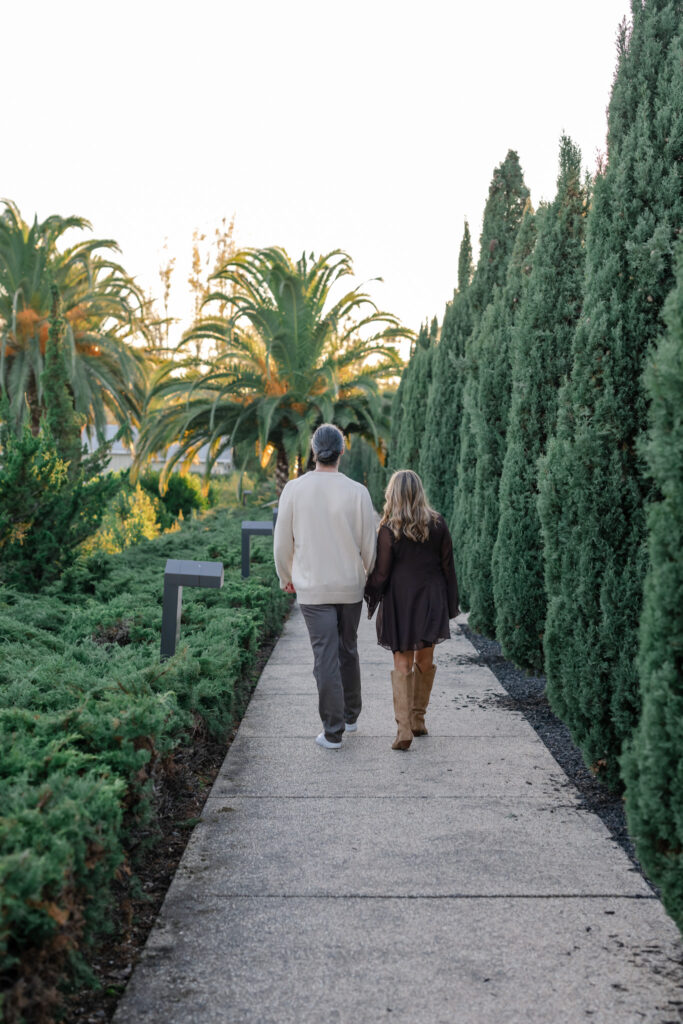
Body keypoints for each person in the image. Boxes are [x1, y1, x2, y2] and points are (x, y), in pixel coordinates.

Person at [273, 423, 377, 749]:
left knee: (325, 657)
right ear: (342, 452)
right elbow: (369, 546)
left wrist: (285, 576)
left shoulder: (293, 489)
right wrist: (367, 576)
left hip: (313, 587)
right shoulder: (358, 492)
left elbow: (281, 543)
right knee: (348, 648)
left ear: (314, 452)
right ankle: (350, 716)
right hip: (350, 586)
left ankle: (333, 733)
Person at [364, 469, 459, 750]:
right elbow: (448, 568)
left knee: (402, 663)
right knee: (425, 659)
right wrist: (450, 604)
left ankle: (404, 729)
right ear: (420, 492)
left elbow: (381, 574)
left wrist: (368, 594)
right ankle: (418, 719)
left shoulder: (388, 528)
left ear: (392, 494)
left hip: (400, 600)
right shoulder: (438, 524)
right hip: (431, 598)